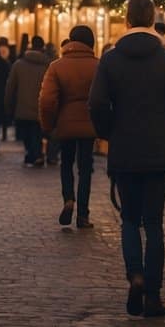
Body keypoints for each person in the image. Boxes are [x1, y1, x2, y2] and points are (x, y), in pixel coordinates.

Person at [89, 0, 165, 319]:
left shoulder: (111, 59)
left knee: (129, 219)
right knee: (154, 224)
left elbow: (98, 103)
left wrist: (109, 132)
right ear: (152, 18)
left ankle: (136, 275)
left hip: (125, 149)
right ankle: (153, 295)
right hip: (156, 150)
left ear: (127, 20)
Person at [39, 26, 99, 229]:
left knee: (66, 163)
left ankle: (68, 199)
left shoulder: (57, 66)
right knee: (85, 168)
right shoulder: (98, 66)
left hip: (65, 123)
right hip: (90, 124)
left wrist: (48, 125)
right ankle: (83, 213)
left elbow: (47, 100)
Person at [5, 36, 52, 167]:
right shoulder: (49, 65)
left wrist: (8, 105)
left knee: (26, 133)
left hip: (23, 107)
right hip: (41, 105)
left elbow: (10, 87)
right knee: (37, 132)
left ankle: (32, 154)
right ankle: (36, 154)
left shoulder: (19, 64)